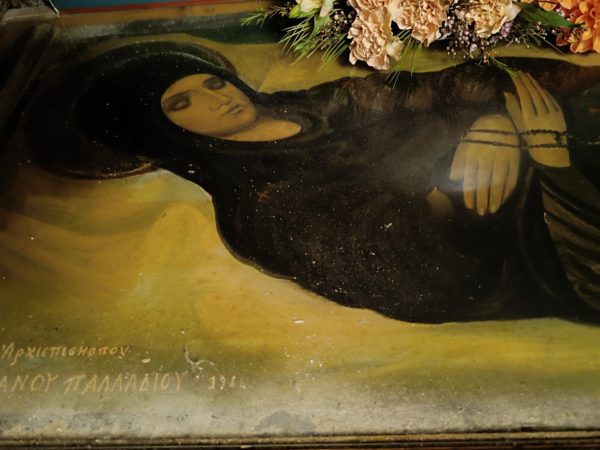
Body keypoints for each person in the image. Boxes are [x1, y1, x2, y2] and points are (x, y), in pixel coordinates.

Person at [27, 40, 600, 323]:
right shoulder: (261, 210)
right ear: (166, 134)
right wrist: (542, 162)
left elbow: (442, 87)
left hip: (533, 138)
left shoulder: (318, 105)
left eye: (212, 82)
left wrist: (492, 124)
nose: (217, 98)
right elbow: (414, 267)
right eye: (183, 102)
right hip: (537, 239)